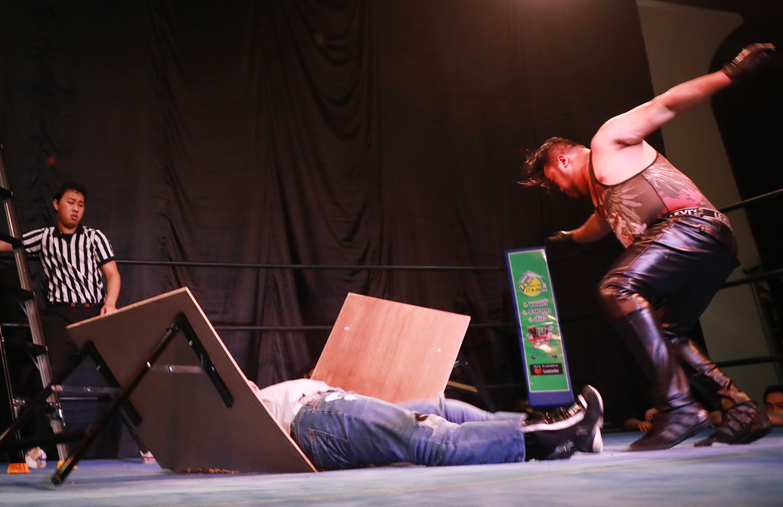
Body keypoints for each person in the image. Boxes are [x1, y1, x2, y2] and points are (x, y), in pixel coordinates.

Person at [520, 43, 776, 451]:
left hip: (691, 227)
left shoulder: (607, 141)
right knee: (667, 330)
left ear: (563, 161)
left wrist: (731, 72)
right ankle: (743, 409)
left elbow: (666, 103)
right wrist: (568, 239)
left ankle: (679, 408)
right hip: (712, 243)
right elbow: (597, 227)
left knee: (616, 288)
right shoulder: (604, 191)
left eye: (554, 180)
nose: (561, 190)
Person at [0, 182, 120, 376]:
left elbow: (112, 274)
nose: (76, 209)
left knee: (111, 370)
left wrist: (110, 303)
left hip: (93, 312)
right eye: (71, 202)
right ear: (56, 204)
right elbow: (1, 244)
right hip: (60, 315)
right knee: (51, 374)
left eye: (81, 204)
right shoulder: (44, 237)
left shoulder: (94, 237)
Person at [253, 379, 603, 469]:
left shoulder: (258, 395)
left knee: (440, 408)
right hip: (312, 417)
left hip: (328, 408)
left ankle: (551, 425)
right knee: (423, 436)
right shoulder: (243, 408)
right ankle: (548, 441)